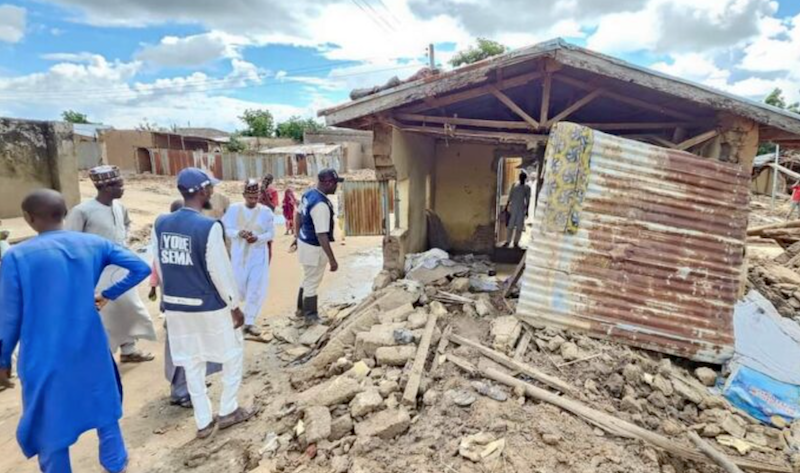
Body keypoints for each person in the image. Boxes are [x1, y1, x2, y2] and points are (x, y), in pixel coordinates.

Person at [0, 189, 151, 473]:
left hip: (43, 354)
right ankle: (115, 463)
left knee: (50, 421)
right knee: (103, 403)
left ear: (29, 218)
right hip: (90, 344)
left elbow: (8, 317)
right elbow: (140, 268)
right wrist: (107, 293)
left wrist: (3, 360)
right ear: (66, 213)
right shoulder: (93, 244)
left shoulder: (17, 257)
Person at [152, 167, 253, 439]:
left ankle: (203, 421)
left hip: (175, 307)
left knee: (192, 362)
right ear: (204, 191)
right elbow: (220, 272)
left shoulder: (160, 223)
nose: (213, 192)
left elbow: (160, 265)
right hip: (207, 306)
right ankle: (228, 409)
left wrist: (169, 297)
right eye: (211, 188)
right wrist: (234, 306)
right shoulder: (209, 227)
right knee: (232, 354)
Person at [65, 165, 156, 363]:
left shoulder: (119, 207)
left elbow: (125, 225)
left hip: (122, 268)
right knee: (104, 314)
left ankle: (128, 350)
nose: (123, 188)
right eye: (119, 185)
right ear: (107, 187)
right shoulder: (82, 211)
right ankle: (100, 358)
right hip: (98, 271)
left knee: (128, 309)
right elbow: (71, 241)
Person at [148, 199, 225, 408]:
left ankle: (189, 387)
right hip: (187, 306)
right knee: (186, 349)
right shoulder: (191, 237)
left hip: (176, 304)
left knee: (187, 348)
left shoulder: (166, 238)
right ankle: (182, 391)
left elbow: (158, 271)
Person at [222, 179, 275, 338]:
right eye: (249, 197)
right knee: (236, 287)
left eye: (255, 197)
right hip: (239, 256)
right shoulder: (233, 209)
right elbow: (226, 229)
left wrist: (257, 238)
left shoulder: (266, 212)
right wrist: (239, 234)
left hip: (258, 257)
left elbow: (271, 234)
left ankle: (250, 322)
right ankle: (235, 318)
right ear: (244, 195)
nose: (253, 201)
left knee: (255, 289)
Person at [292, 168, 343, 324]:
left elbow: (298, 215)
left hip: (304, 242)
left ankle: (300, 310)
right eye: (335, 183)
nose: (337, 187)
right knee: (312, 282)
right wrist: (332, 260)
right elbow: (322, 235)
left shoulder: (309, 194)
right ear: (327, 183)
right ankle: (311, 316)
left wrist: (297, 235)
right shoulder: (321, 205)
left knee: (307, 278)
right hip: (314, 247)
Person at [503, 172, 531, 249]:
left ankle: (516, 242)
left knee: (519, 226)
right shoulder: (514, 185)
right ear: (519, 178)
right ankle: (508, 241)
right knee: (510, 225)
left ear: (525, 179)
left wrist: (527, 210)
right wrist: (506, 206)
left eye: (523, 178)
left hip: (521, 208)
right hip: (513, 208)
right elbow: (510, 196)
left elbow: (528, 199)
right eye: (521, 177)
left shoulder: (527, 187)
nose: (522, 179)